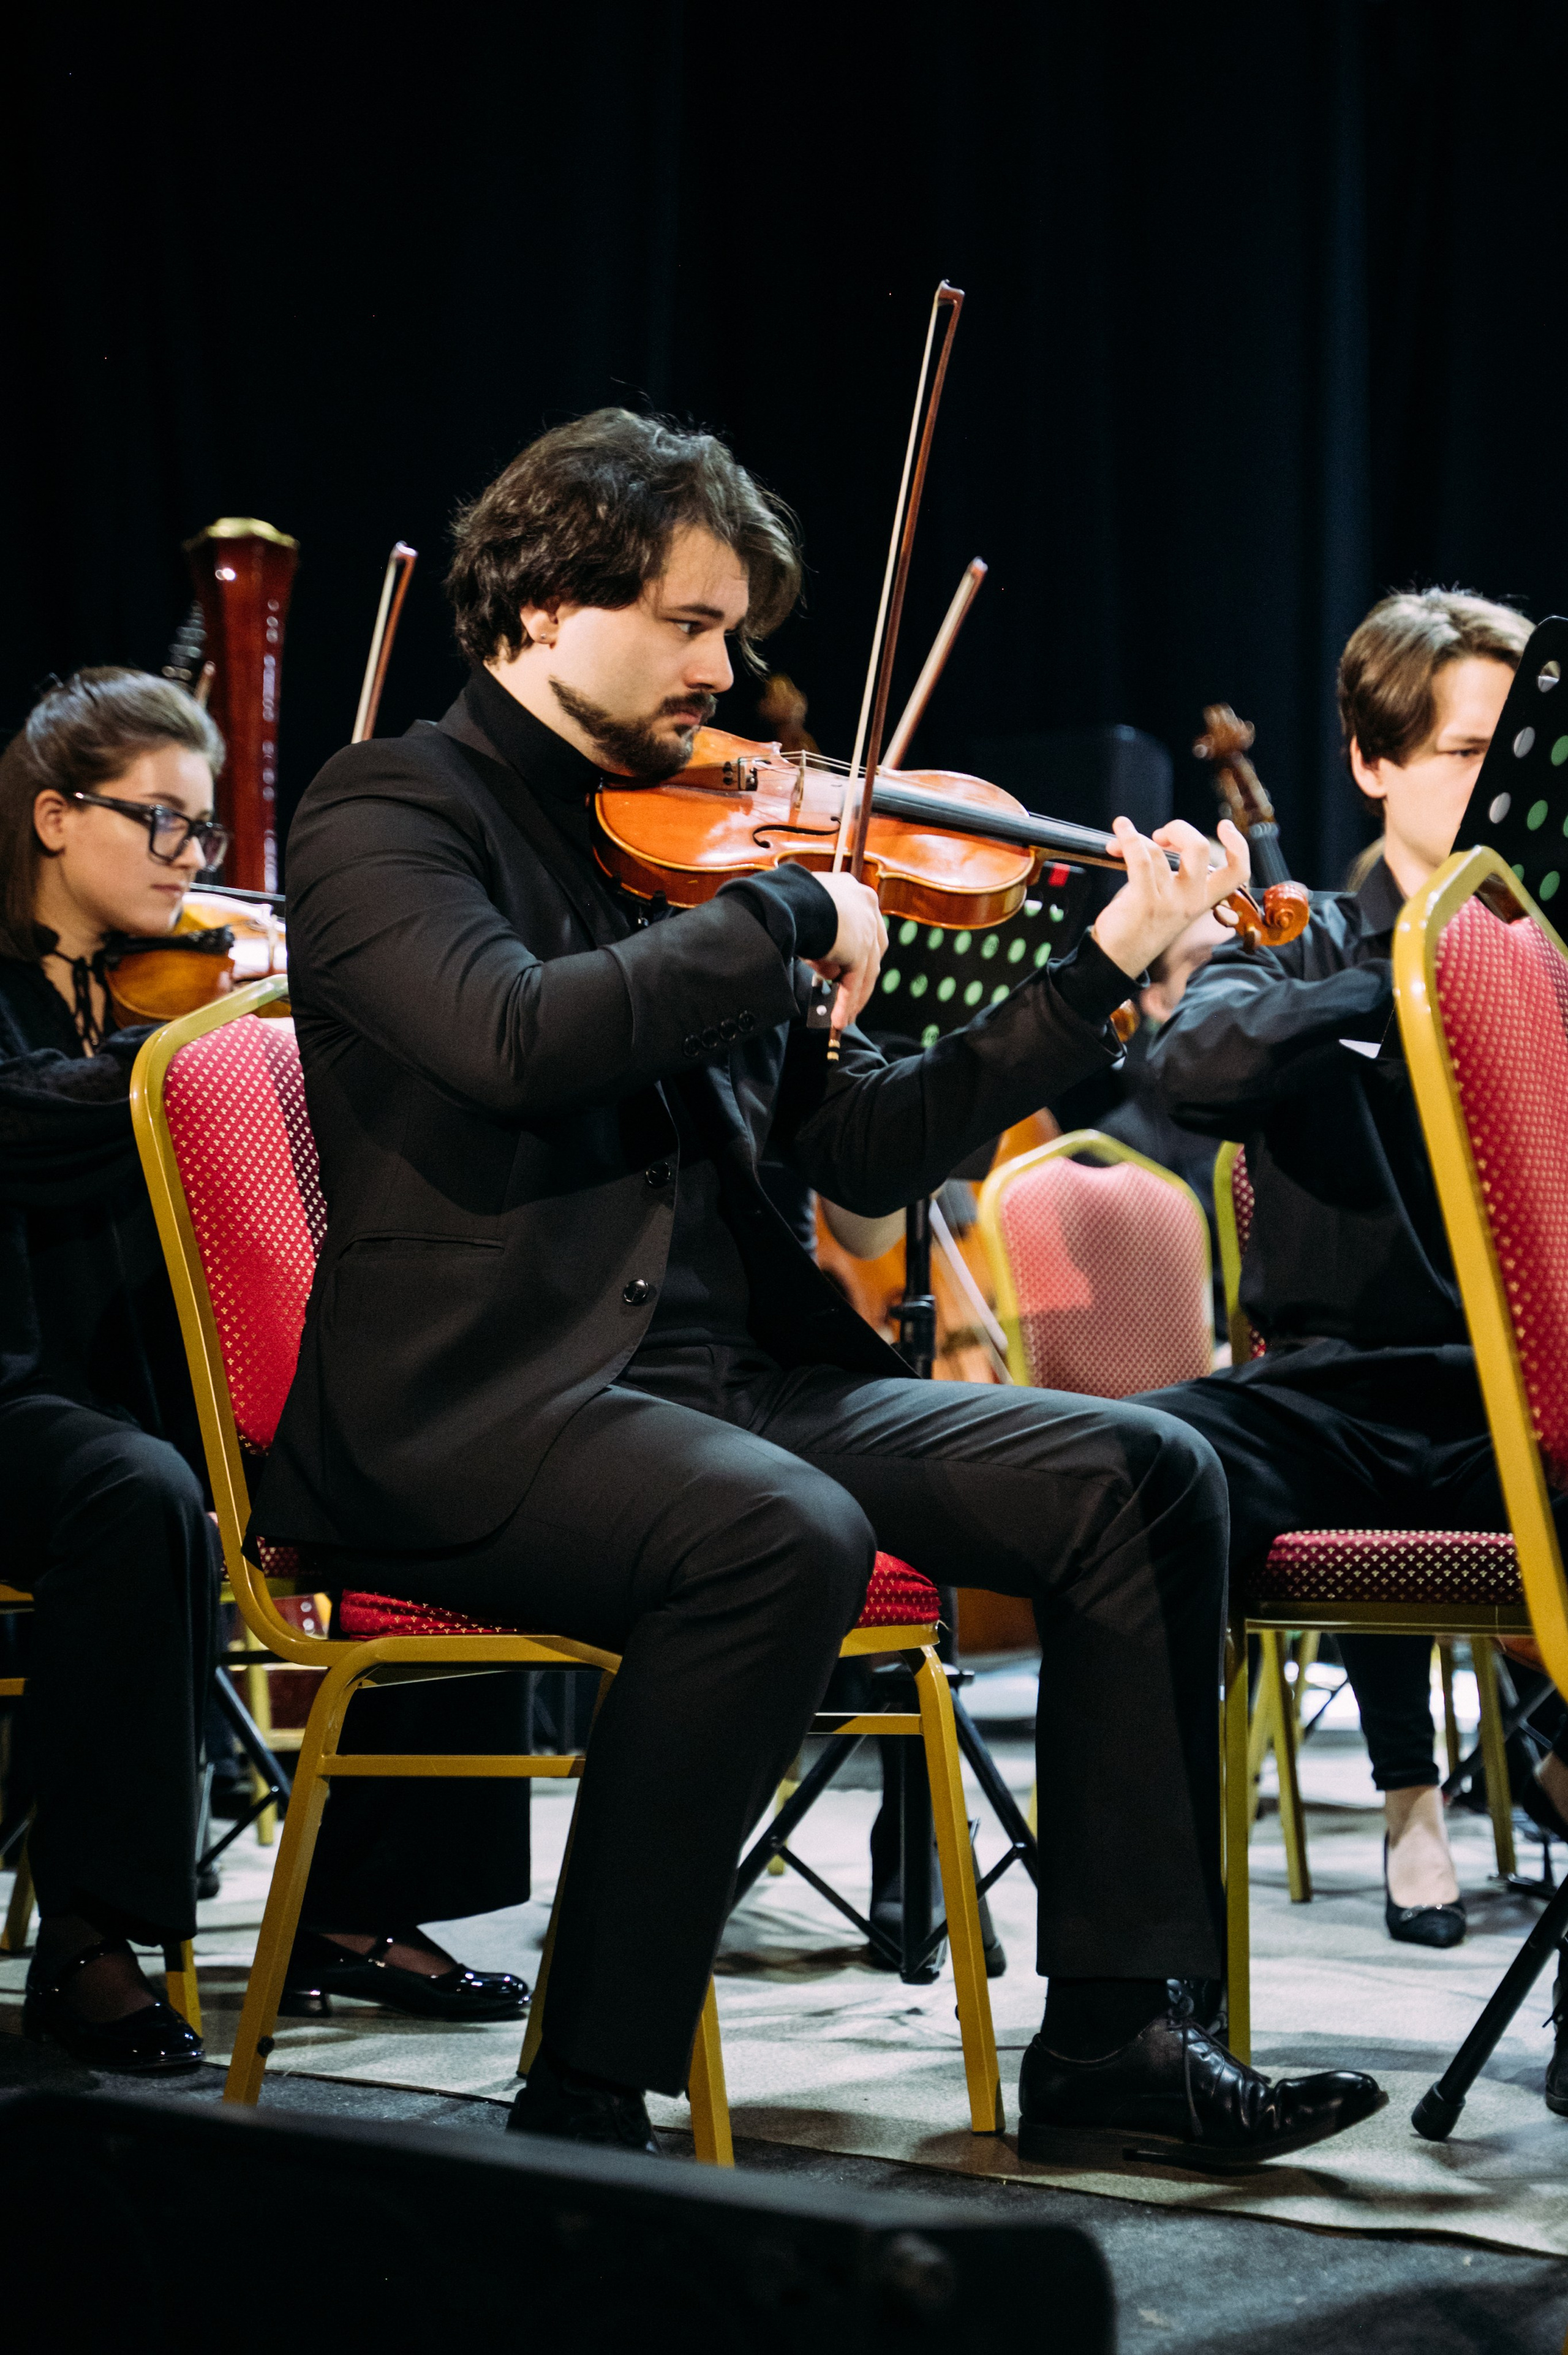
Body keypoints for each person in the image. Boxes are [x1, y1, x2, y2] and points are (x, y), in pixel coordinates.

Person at [252, 406, 1384, 2165]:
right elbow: (504, 1035)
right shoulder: (394, 806)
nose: (726, 668)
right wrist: (778, 923)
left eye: (731, 629)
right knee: (774, 1532)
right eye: (693, 624)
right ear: (550, 604)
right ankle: (588, 2084)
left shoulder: (689, 841)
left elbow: (859, 1150)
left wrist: (1091, 975)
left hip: (730, 1385)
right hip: (478, 1406)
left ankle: (1120, 2033)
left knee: (1149, 1470)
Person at [0, 669, 531, 2074]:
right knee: (135, 1490)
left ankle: (357, 1904)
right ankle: (94, 1940)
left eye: (202, 835)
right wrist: (176, 1050)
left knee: (436, 1458)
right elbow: (32, 1127)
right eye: (161, 824)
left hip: (147, 1396)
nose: (192, 862)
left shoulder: (136, 999)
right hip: (21, 1398)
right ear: (55, 817)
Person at [1142, 591, 1568, 1992]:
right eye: (1459, 753)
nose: (1492, 788)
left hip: (1538, 1417)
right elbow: (1185, 1066)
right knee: (1127, 1468)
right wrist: (1402, 979)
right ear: (1373, 762)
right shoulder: (1306, 934)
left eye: (1515, 757)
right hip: (1346, 1405)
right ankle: (1144, 2003)